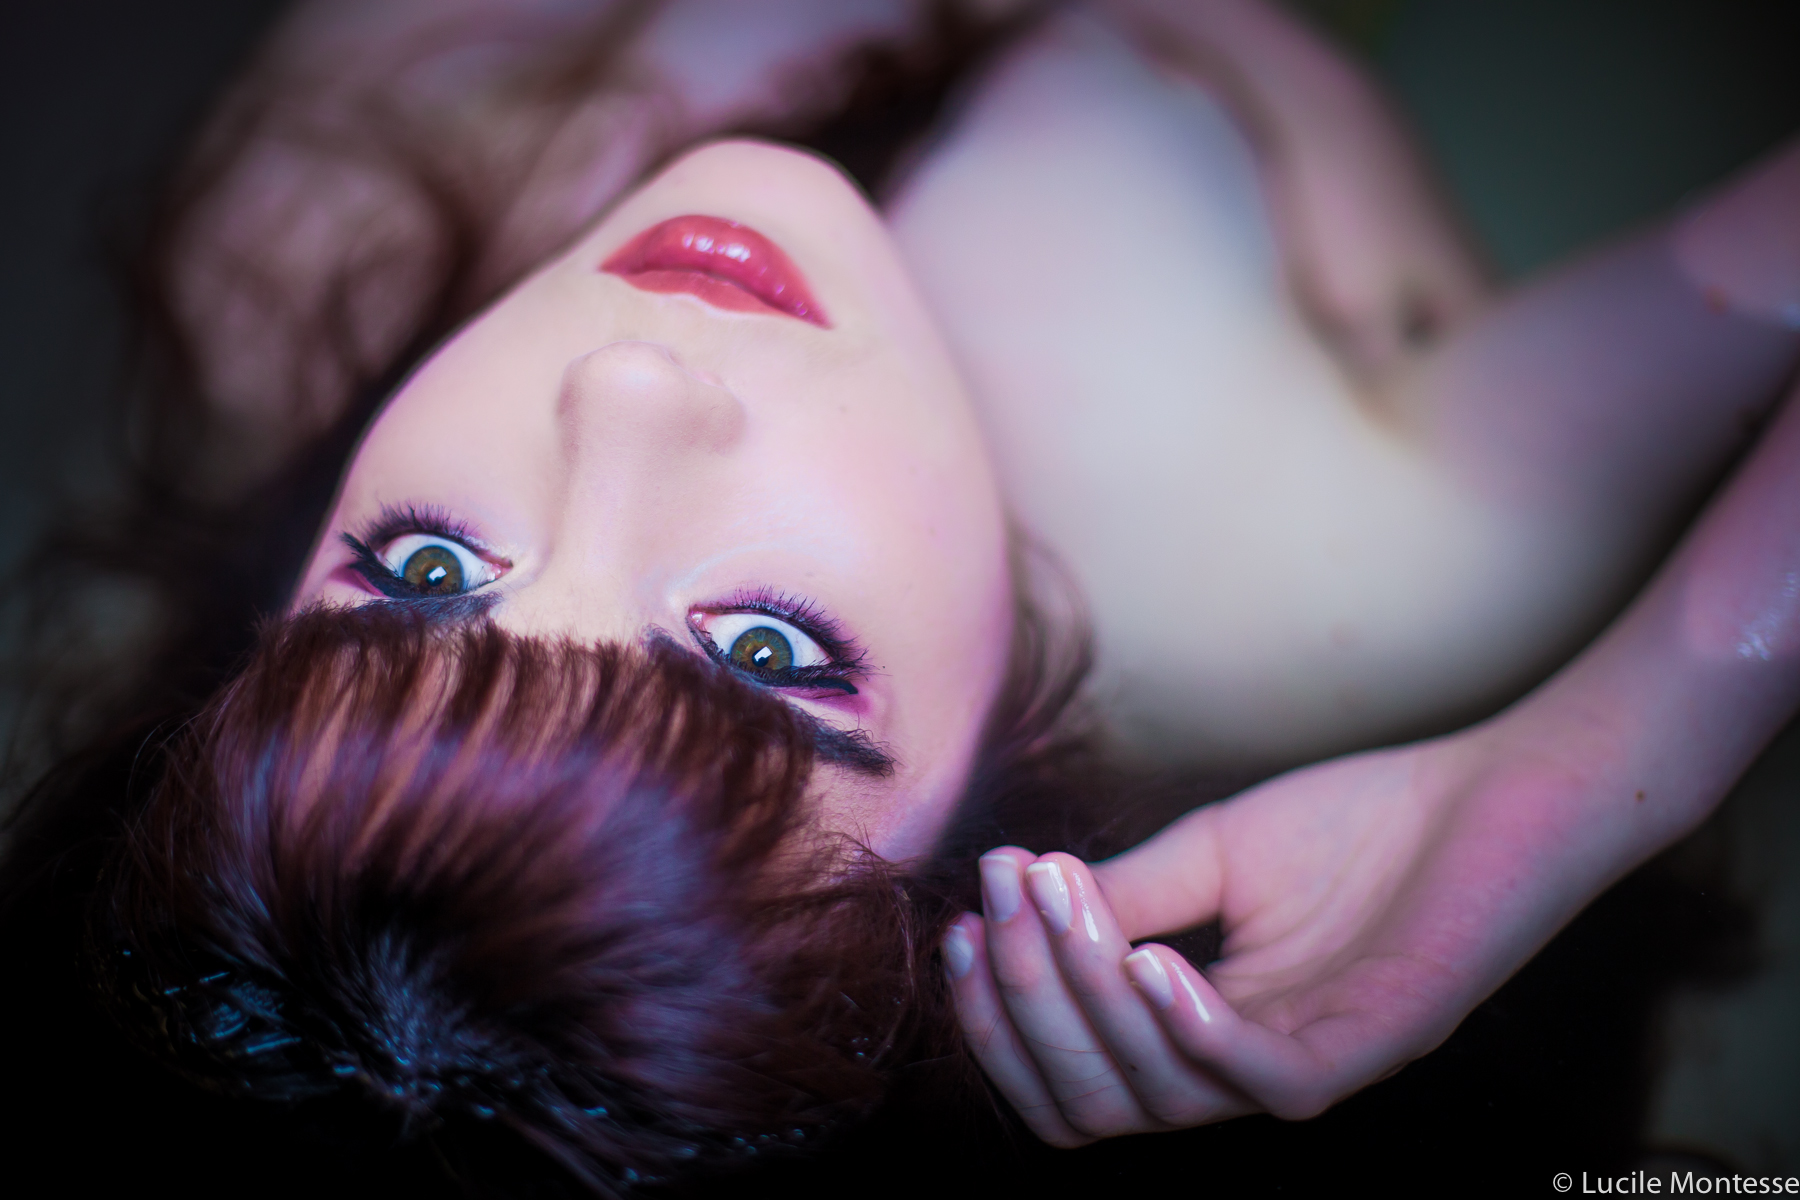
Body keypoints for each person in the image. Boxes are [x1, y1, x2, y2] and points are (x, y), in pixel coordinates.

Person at [0, 0, 1794, 1192]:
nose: (626, 391)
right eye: (767, 654)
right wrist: (1627, 739)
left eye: (422, 574)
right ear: (972, 854)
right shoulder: (1340, 568)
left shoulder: (291, 265)